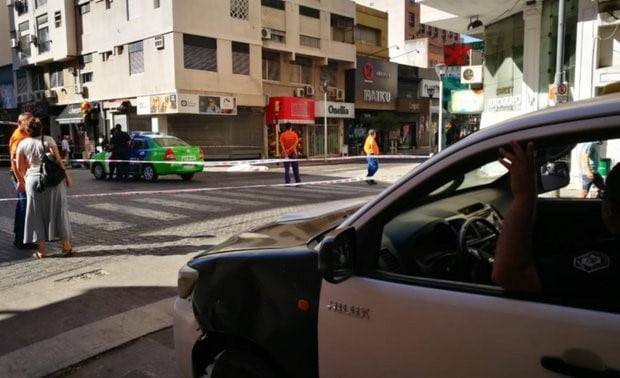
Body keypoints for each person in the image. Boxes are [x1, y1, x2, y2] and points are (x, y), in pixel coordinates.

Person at [493, 140, 620, 296]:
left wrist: (523, 195)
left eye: (603, 195)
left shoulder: (607, 264)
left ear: (612, 208)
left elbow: (508, 276)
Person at [15, 117, 74, 259]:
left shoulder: (22, 144)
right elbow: (58, 160)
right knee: (59, 210)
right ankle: (66, 246)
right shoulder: (48, 140)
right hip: (53, 180)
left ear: (27, 130)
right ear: (41, 128)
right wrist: (66, 177)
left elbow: (18, 166)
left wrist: (25, 177)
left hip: (33, 180)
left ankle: (41, 251)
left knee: (36, 214)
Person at [9, 111, 36, 249]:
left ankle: (20, 235)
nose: (30, 124)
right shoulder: (18, 137)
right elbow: (14, 162)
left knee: (23, 206)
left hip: (24, 174)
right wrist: (20, 180)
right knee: (23, 206)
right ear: (20, 123)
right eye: (28, 122)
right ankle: (20, 239)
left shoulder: (25, 134)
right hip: (20, 175)